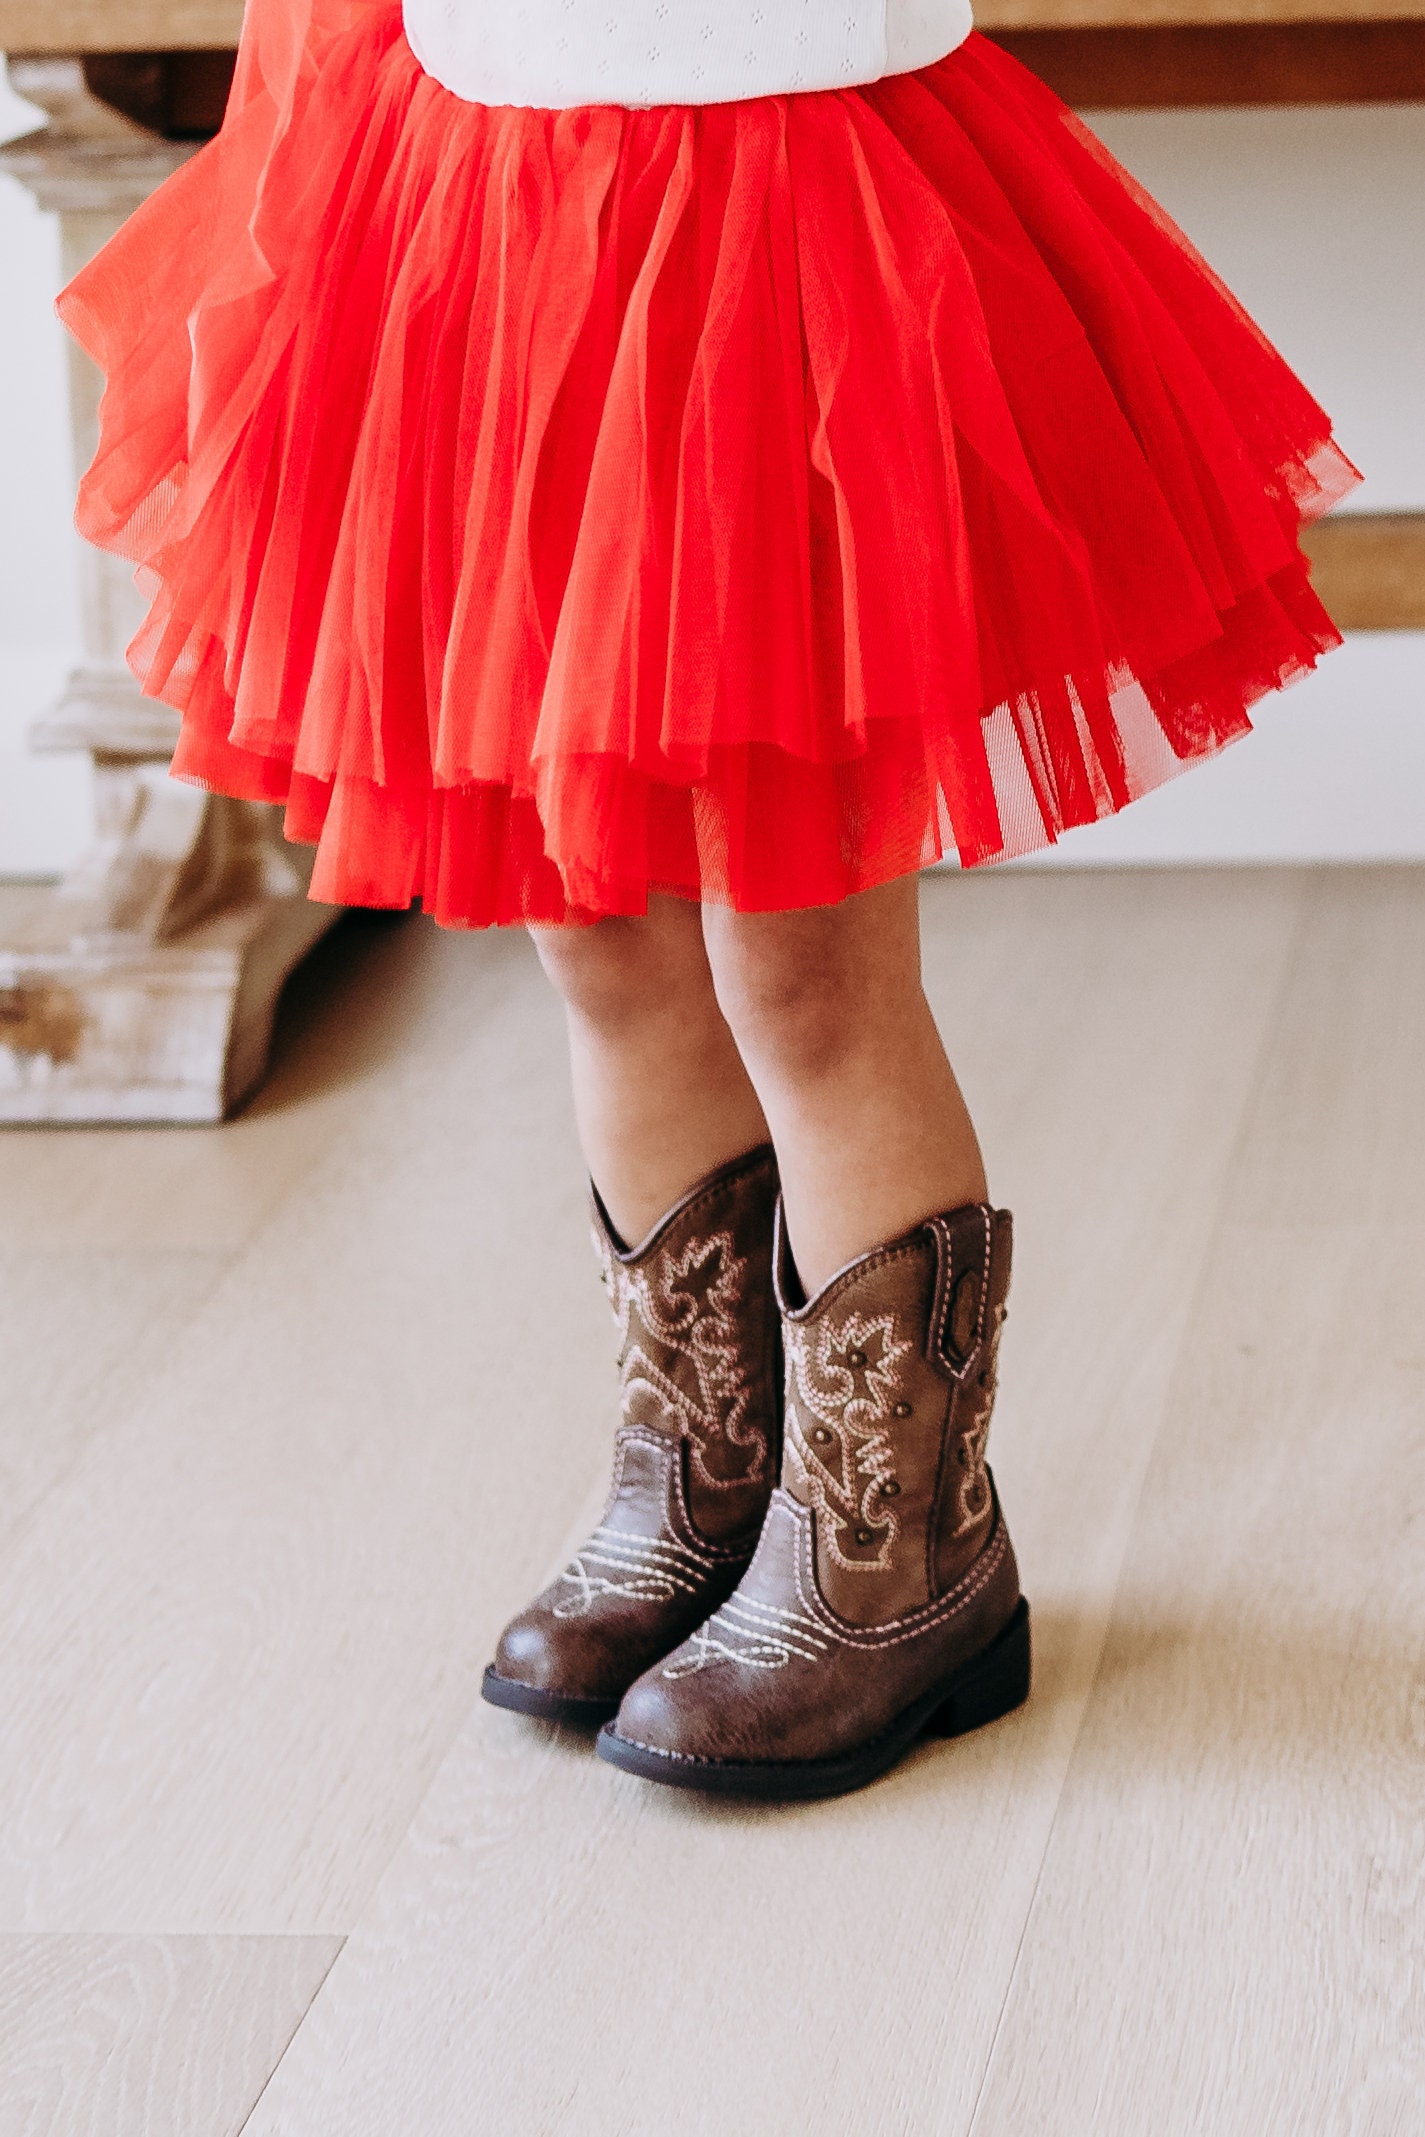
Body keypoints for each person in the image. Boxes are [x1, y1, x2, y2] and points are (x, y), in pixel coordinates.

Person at [59, 0, 1358, 1801]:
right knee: (596, 928)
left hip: (781, 218)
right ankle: (702, 1471)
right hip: (496, 202)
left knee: (801, 948)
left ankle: (896, 1551)